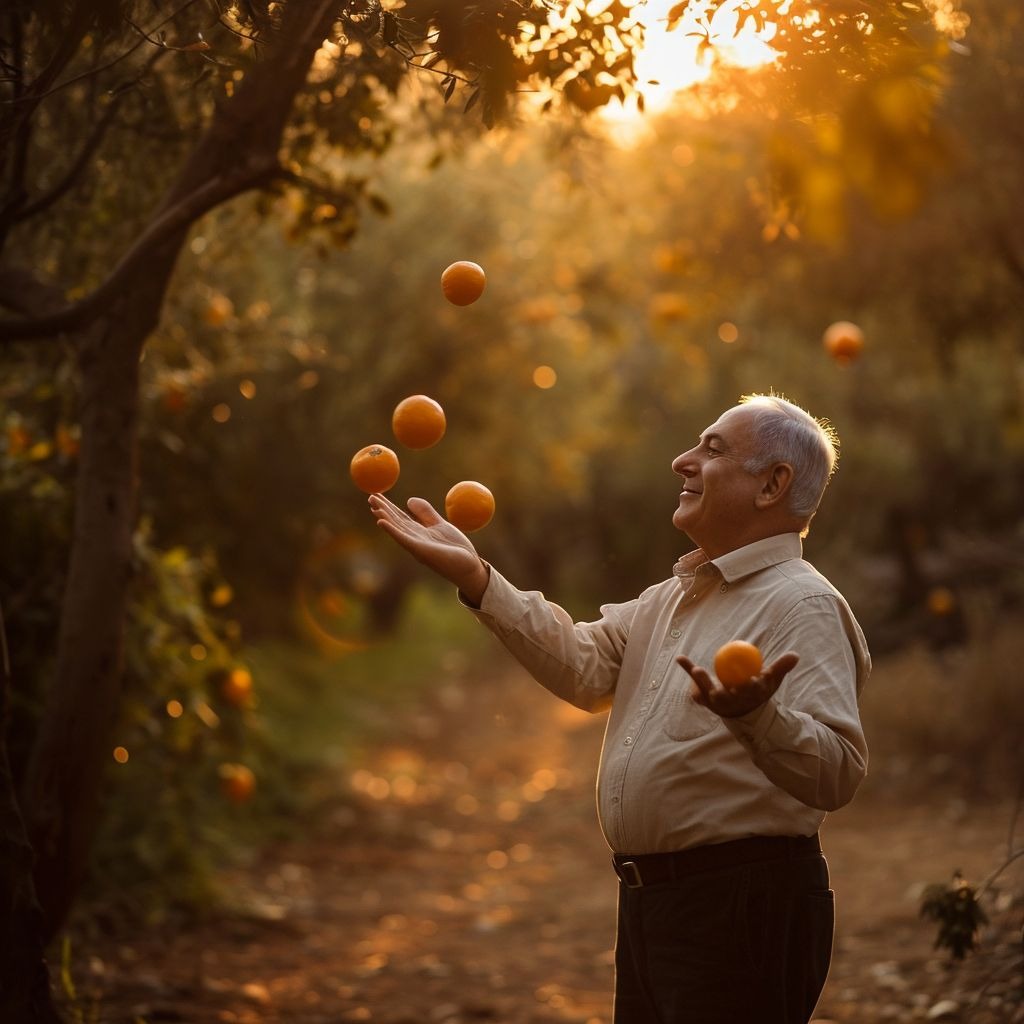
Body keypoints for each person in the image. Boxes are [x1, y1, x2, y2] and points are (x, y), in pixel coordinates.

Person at [368, 392, 870, 1024]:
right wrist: (477, 579)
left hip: (744, 902)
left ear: (772, 484)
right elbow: (583, 664)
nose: (681, 462)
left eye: (712, 450)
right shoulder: (673, 598)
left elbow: (838, 771)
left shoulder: (802, 605)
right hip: (654, 903)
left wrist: (757, 716)